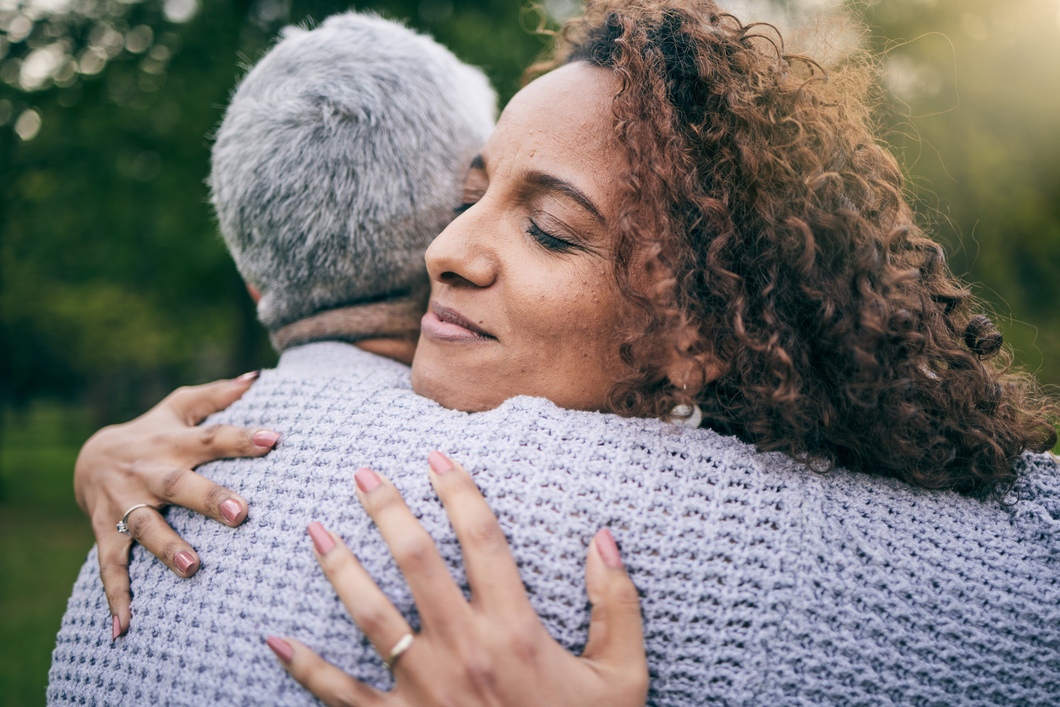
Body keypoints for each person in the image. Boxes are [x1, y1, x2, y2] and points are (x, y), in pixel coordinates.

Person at [57, 0, 1060, 704]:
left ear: (696, 334)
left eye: (548, 229)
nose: (445, 250)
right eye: (469, 195)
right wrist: (108, 450)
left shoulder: (765, 553)